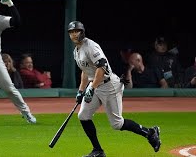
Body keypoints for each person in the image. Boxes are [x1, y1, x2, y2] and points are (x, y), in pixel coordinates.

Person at [67, 21, 161, 157]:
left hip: (109, 85)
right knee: (83, 116)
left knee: (117, 124)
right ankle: (98, 151)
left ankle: (150, 132)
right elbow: (85, 71)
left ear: (82, 32)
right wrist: (81, 90)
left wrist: (91, 88)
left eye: (77, 31)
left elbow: (102, 67)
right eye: (71, 32)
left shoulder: (90, 46)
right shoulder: (76, 50)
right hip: (95, 85)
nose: (74, 34)